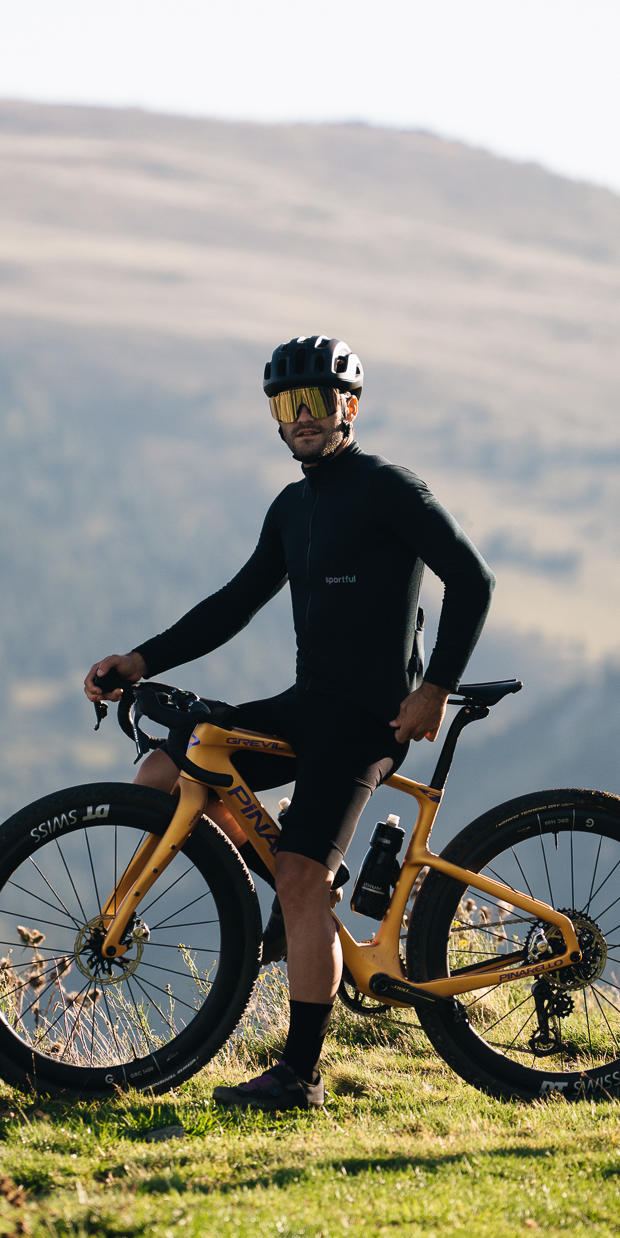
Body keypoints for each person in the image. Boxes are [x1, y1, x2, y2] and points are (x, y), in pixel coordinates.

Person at [83, 335, 494, 1111]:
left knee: (300, 879)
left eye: (316, 400)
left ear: (349, 407)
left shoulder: (387, 488)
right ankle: (277, 886)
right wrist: (138, 660)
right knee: (172, 764)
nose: (301, 415)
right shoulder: (293, 505)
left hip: (370, 719)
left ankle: (299, 1075)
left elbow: (473, 579)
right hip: (308, 705)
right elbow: (235, 603)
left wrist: (435, 686)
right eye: (286, 402)